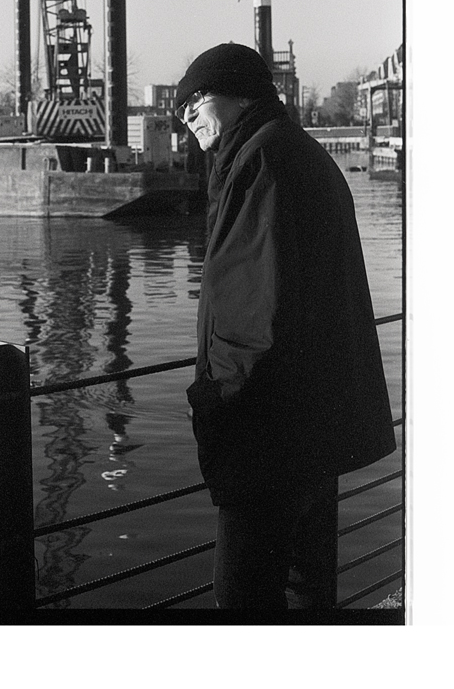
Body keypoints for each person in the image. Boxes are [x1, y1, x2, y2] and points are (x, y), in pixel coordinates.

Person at [175, 43, 396, 610]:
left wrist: (218, 406)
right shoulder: (295, 151)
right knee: (306, 593)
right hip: (312, 430)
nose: (188, 114)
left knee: (244, 602)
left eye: (199, 98)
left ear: (241, 95)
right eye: (182, 106)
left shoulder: (260, 165)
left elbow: (255, 317)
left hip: (265, 437)